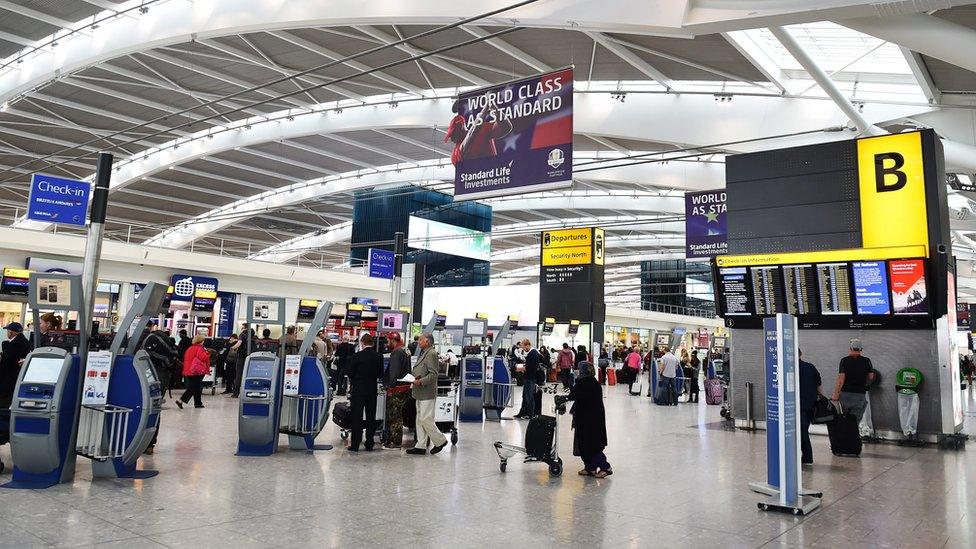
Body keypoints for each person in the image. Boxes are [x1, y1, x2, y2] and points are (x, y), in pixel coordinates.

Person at [565, 361, 611, 478]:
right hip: (590, 417)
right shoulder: (592, 381)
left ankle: (606, 467)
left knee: (591, 444)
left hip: (589, 419)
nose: (577, 371)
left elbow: (573, 395)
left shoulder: (585, 382)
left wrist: (571, 383)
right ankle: (590, 468)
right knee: (585, 443)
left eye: (579, 370)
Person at [406, 333, 448, 456]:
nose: (418, 342)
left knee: (425, 419)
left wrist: (421, 381)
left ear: (427, 342)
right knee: (419, 419)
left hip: (426, 392)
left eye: (420, 340)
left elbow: (433, 374)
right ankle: (420, 445)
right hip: (419, 392)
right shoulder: (424, 353)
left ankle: (441, 441)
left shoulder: (432, 354)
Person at [346, 333, 384, 452]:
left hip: (358, 390)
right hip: (372, 390)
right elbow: (380, 374)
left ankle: (355, 444)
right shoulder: (379, 356)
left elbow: (350, 373)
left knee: (357, 417)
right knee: (371, 417)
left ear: (362, 343)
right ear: (372, 344)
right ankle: (369, 444)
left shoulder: (357, 356)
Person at [831, 339, 875, 422]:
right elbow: (871, 377)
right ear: (861, 349)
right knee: (855, 422)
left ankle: (844, 434)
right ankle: (853, 434)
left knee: (844, 420)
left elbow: (841, 379)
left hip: (845, 395)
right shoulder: (867, 361)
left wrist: (835, 395)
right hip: (860, 395)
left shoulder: (844, 360)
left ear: (850, 348)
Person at [384, 333, 412, 449]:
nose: (387, 343)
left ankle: (394, 442)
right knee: (399, 414)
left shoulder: (396, 352)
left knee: (394, 416)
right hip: (405, 387)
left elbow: (394, 372)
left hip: (397, 388)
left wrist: (390, 386)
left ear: (393, 340)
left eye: (388, 341)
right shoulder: (405, 350)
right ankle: (395, 441)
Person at [798, 349, 823, 465]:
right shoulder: (810, 367)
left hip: (799, 405)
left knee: (802, 431)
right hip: (810, 404)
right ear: (801, 354)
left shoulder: (788, 368)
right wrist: (820, 399)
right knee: (803, 430)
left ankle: (807, 457)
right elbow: (819, 384)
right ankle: (805, 457)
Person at [0, 322, 31, 410]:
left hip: (8, 377)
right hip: (16, 377)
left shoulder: (13, 344)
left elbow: (6, 362)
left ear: (11, 333)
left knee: (4, 401)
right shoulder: (25, 342)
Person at [176, 335, 210, 409]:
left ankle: (198, 403)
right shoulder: (200, 349)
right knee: (193, 387)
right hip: (197, 371)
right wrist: (208, 353)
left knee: (197, 387)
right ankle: (180, 400)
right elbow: (203, 358)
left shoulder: (190, 348)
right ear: (201, 341)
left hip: (189, 370)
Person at [515, 339, 541, 419]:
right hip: (529, 377)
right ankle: (523, 412)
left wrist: (521, 369)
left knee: (529, 396)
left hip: (530, 378)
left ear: (527, 345)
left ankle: (530, 414)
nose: (523, 349)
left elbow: (531, 367)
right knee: (525, 396)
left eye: (523, 347)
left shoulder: (533, 354)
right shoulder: (532, 353)